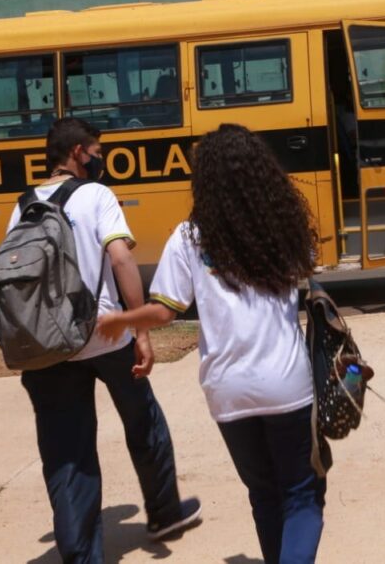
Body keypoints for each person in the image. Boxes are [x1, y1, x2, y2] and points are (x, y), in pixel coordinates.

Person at [98, 123, 324, 564]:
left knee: (263, 494)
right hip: (286, 384)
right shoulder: (283, 226)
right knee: (301, 494)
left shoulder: (189, 236)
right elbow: (307, 267)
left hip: (227, 389)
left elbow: (165, 310)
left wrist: (125, 318)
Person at [9, 117, 200, 563]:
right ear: (78, 153)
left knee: (66, 451)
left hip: (47, 346)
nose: (100, 158)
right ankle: (165, 511)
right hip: (105, 335)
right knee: (144, 421)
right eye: (96, 150)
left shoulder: (22, 206)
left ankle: (80, 555)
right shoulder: (97, 195)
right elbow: (121, 260)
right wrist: (141, 330)